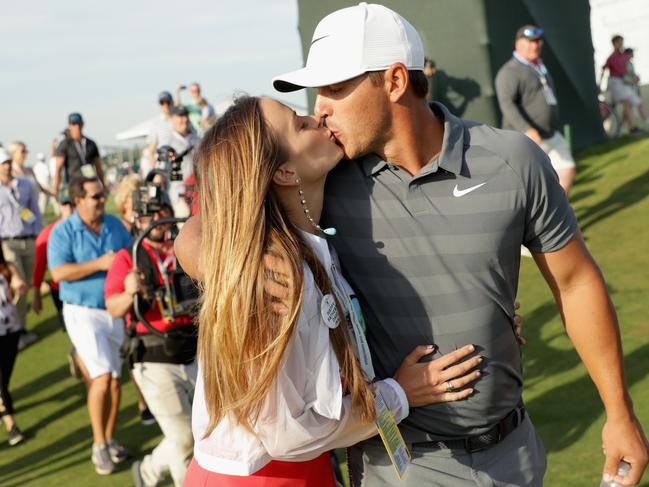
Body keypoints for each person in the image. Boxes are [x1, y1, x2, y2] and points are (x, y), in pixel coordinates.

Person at [178, 4, 649, 486]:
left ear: (395, 81)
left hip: (515, 454)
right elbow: (203, 227)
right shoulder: (327, 174)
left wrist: (619, 412)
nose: (320, 107)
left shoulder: (512, 161)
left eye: (336, 88)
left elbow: (575, 284)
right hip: (394, 465)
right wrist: (241, 264)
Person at [179, 96, 485, 486]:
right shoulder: (273, 279)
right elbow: (284, 434)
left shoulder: (304, 243)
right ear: (285, 173)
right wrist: (399, 394)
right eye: (300, 124)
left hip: (302, 470)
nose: (318, 116)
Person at [105, 195, 197, 487]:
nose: (158, 220)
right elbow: (114, 307)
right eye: (150, 215)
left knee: (202, 432)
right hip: (153, 356)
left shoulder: (185, 248)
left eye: (163, 212)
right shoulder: (128, 258)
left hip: (193, 349)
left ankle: (149, 471)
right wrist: (131, 291)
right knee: (184, 438)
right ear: (138, 221)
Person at [48, 176, 132, 475]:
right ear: (79, 200)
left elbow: (130, 255)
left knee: (114, 378)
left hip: (114, 310)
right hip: (81, 312)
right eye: (95, 196)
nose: (101, 199)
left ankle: (109, 438)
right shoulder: (62, 231)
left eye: (101, 195)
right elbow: (58, 273)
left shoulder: (113, 224)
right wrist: (100, 264)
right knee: (101, 376)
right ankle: (99, 445)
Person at [495, 25, 576, 195]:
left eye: (538, 41)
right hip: (526, 139)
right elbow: (507, 104)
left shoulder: (538, 66)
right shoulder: (510, 71)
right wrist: (527, 129)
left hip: (550, 133)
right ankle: (531, 219)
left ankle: (555, 213)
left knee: (567, 169)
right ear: (518, 44)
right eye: (530, 42)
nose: (535, 45)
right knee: (527, 186)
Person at [0, 147, 42, 350]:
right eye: (3, 163)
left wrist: (37, 232)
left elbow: (34, 211)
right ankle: (14, 331)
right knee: (18, 285)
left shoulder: (24, 184)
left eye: (8, 162)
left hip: (28, 239)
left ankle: (20, 329)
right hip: (7, 243)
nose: (7, 166)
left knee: (28, 283)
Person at [0, 243, 28, 446]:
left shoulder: (7, 267)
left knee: (5, 376)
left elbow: (18, 281)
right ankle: (10, 423)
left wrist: (19, 286)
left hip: (11, 330)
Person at [53, 113, 106, 197]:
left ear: (83, 124)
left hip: (90, 184)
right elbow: (58, 168)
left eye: (79, 123)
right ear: (69, 125)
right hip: (73, 186)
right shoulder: (64, 144)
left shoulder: (91, 143)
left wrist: (103, 186)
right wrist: (56, 189)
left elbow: (99, 167)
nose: (77, 126)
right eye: (74, 124)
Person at [602, 35, 643, 134]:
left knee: (625, 104)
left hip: (622, 82)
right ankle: (631, 128)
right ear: (614, 43)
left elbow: (627, 71)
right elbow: (604, 69)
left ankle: (624, 127)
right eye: (619, 42)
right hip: (615, 82)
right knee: (624, 103)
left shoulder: (623, 56)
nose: (621, 44)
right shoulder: (611, 57)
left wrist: (634, 77)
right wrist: (600, 85)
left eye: (621, 42)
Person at [144, 91, 175, 173]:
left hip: (179, 164)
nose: (166, 105)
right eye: (162, 102)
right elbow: (151, 151)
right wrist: (156, 172)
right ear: (160, 105)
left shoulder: (180, 120)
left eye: (168, 102)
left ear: (172, 103)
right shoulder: (155, 125)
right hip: (164, 166)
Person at [623, 48, 649, 126]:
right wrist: (633, 80)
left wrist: (636, 78)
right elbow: (624, 76)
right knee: (636, 104)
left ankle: (621, 125)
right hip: (626, 87)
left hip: (632, 88)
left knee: (628, 107)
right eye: (632, 53)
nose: (633, 54)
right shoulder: (623, 63)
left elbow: (632, 75)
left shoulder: (630, 64)